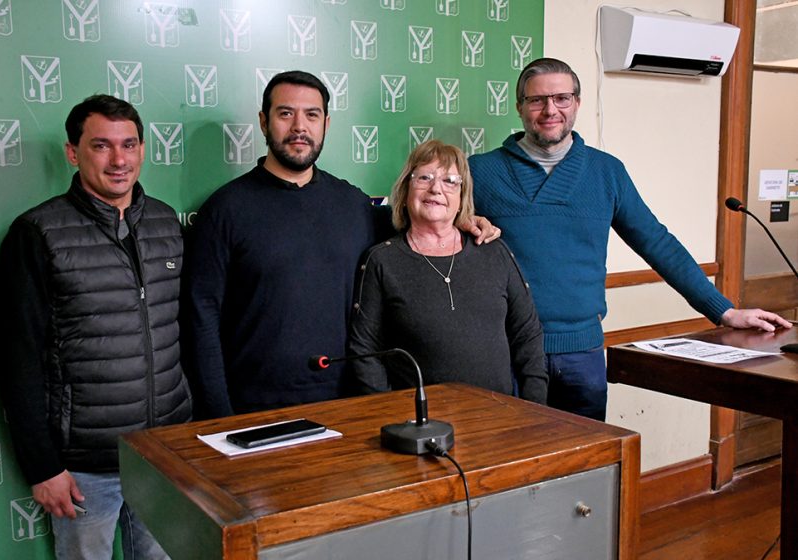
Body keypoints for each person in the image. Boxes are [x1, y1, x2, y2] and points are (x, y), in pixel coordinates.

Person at [468, 57, 792, 421]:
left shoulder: (606, 171)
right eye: (537, 100)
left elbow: (657, 243)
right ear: (519, 107)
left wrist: (724, 311)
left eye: (561, 98)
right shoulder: (480, 171)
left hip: (584, 354)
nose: (550, 110)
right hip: (508, 349)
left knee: (591, 453)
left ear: (577, 102)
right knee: (513, 452)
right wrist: (465, 221)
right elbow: (428, 226)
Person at [186, 71, 499, 418]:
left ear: (326, 124)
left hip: (349, 406)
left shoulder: (353, 205)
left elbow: (419, 223)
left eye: (312, 115)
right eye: (285, 113)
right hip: (254, 409)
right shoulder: (225, 210)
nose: (299, 127)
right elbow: (202, 319)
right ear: (263, 121)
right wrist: (219, 415)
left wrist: (461, 220)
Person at [0, 94, 191, 560]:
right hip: (85, 468)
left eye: (129, 145)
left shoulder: (165, 221)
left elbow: (181, 330)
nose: (119, 160)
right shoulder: (38, 232)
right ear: (72, 152)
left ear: (142, 150)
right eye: (101, 146)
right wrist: (43, 467)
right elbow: (17, 360)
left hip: (165, 453)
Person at [348, 141, 547, 403]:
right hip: (420, 422)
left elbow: (527, 335)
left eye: (450, 181)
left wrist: (534, 408)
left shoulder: (493, 251)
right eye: (424, 178)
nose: (436, 188)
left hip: (498, 416)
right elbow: (365, 350)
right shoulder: (381, 260)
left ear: (462, 198)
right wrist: (392, 412)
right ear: (405, 190)